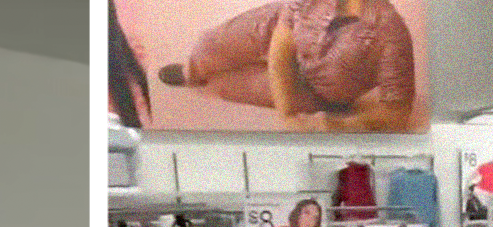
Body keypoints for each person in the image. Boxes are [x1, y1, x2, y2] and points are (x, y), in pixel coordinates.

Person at [152, 0, 418, 132]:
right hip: (280, 28)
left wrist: (338, 124)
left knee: (226, 87)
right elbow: (281, 47)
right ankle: (194, 70)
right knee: (211, 44)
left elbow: (398, 112)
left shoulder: (390, 31)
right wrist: (286, 113)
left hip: (317, 91)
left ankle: (208, 79)